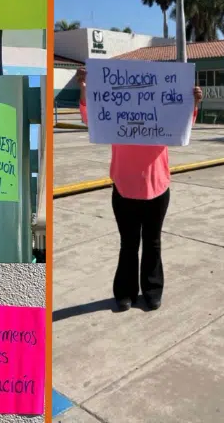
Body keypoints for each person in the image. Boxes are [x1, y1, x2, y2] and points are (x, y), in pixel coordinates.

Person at [76, 67, 203, 312]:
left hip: (158, 187)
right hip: (124, 188)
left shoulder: (164, 114)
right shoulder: (115, 114)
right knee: (129, 244)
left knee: (153, 243)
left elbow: (183, 126)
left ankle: (153, 291)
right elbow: (89, 116)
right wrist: (84, 87)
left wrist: (193, 101)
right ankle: (125, 293)